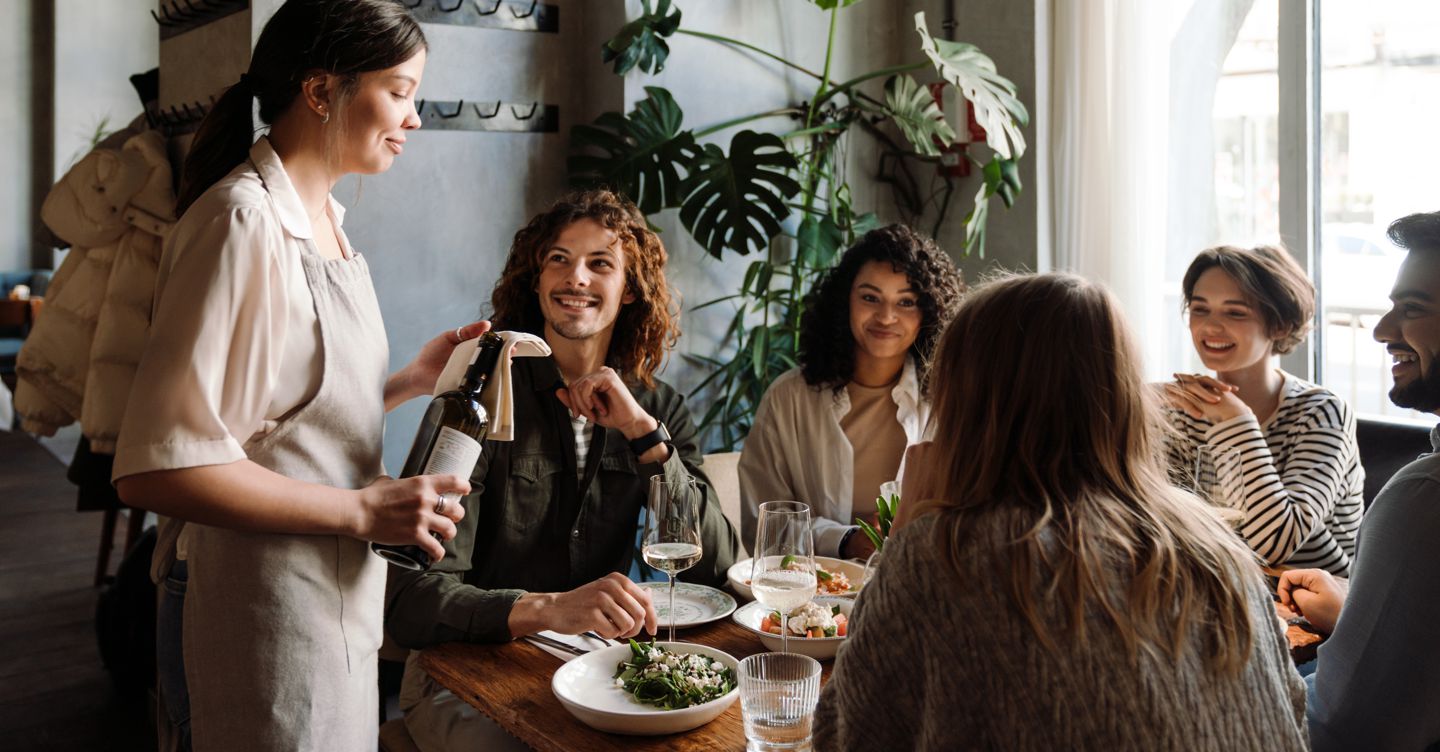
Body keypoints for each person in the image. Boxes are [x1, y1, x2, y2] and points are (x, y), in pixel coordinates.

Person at [111, 3, 479, 749]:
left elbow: (268, 419)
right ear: (320, 90)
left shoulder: (329, 222)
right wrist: (362, 514)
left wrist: (407, 380)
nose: (414, 118)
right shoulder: (240, 223)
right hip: (249, 609)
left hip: (327, 604)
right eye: (401, 91)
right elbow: (155, 469)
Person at [815, 273, 1308, 751]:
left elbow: (843, 735)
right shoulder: (1217, 544)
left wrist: (908, 530)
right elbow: (1293, 717)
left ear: (967, 399)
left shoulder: (947, 553)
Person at [385, 189, 743, 752]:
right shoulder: (475, 402)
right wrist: (547, 608)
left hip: (593, 676)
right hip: (462, 680)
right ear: (535, 279)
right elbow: (409, 600)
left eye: (600, 264)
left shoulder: (659, 410)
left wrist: (645, 436)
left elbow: (719, 567)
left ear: (629, 293)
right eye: (559, 258)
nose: (576, 277)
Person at [1277, 211, 1440, 751]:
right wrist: (1360, 617)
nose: (1381, 330)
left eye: (1412, 309)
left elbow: (1337, 731)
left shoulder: (1425, 497)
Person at [738, 225, 962, 559]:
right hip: (809, 598)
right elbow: (762, 526)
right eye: (870, 298)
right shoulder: (789, 398)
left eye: (906, 302)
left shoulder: (949, 401)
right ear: (845, 301)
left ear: (929, 312)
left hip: (916, 587)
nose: (886, 317)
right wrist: (845, 540)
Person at [1164, 245, 1363, 575]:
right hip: (1221, 591)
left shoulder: (1322, 413)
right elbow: (1159, 522)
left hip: (1311, 613)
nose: (1210, 327)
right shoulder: (1182, 410)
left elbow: (1275, 542)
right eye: (1200, 309)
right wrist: (1142, 397)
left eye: (1235, 313)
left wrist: (1236, 421)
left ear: (1281, 325)